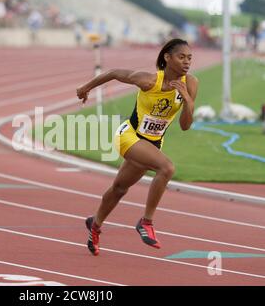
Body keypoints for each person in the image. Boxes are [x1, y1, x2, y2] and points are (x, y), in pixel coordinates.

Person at [76, 38, 198, 255]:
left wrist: (188, 102)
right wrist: (85, 87)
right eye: (181, 57)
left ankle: (95, 225)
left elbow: (185, 126)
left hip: (152, 143)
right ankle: (146, 222)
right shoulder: (149, 80)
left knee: (119, 188)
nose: (187, 62)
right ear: (167, 58)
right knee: (167, 168)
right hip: (130, 136)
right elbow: (113, 73)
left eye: (189, 58)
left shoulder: (191, 84)